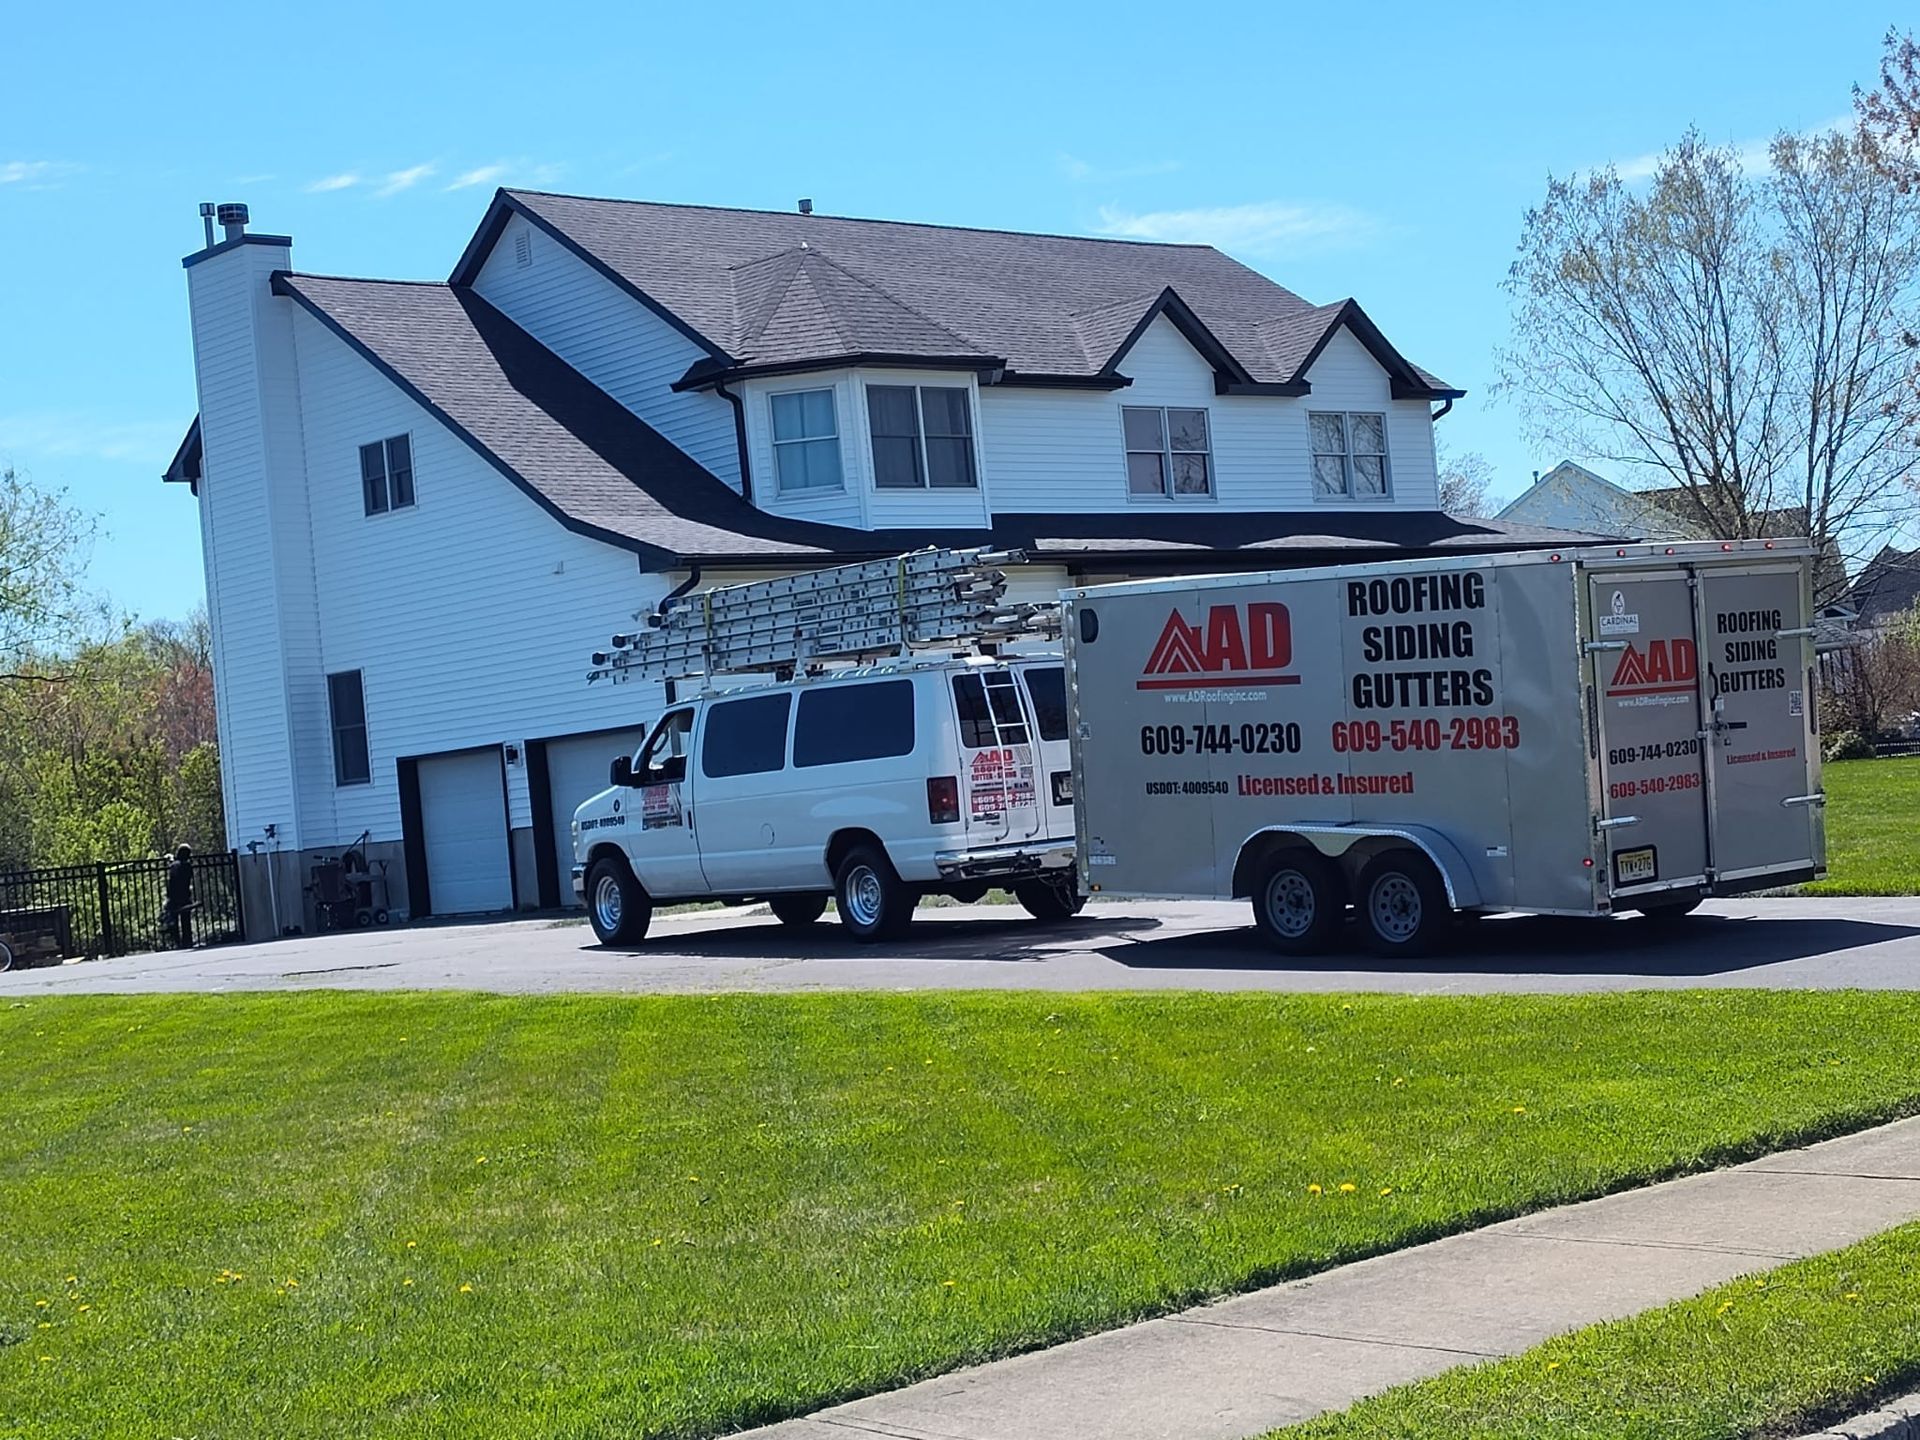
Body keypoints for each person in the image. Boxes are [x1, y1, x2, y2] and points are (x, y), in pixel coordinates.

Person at [164, 843, 195, 949]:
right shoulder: (188, 866)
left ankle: (176, 943)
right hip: (185, 895)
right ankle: (187, 941)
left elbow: (171, 880)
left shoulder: (174, 866)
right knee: (186, 920)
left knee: (174, 921)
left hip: (174, 896)